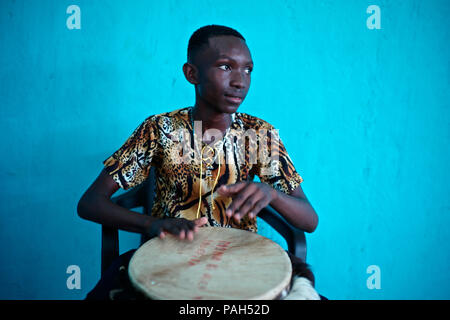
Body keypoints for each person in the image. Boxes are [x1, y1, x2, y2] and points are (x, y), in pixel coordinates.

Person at [78, 24, 320, 300]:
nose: (240, 81)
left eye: (248, 69)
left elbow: (309, 220)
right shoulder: (160, 130)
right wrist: (151, 224)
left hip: (240, 260)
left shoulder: (258, 135)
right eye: (226, 67)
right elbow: (90, 203)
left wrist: (271, 194)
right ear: (192, 74)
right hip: (169, 258)